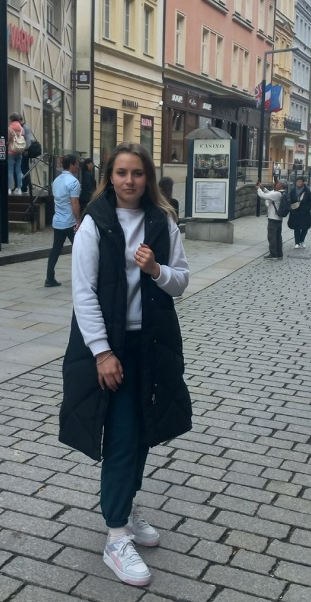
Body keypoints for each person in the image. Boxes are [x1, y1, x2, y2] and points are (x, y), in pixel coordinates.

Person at [58, 142, 191, 587]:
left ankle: (127, 508)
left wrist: (156, 270)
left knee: (142, 433)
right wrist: (102, 352)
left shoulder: (162, 221)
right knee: (119, 437)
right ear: (109, 177)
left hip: (150, 344)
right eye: (121, 173)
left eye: (137, 173)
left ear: (147, 177)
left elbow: (181, 283)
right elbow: (83, 294)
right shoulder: (94, 223)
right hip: (110, 348)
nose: (129, 181)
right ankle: (115, 536)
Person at [45, 154, 81, 287]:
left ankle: (49, 278)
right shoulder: (73, 182)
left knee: (55, 250)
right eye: (76, 164)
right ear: (71, 165)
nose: (78, 166)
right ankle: (82, 277)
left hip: (58, 221)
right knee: (80, 250)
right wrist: (79, 221)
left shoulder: (56, 181)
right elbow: (75, 203)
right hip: (70, 222)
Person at [256, 179, 288, 259]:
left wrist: (259, 189)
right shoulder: (282, 193)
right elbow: (270, 193)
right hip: (279, 218)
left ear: (281, 185)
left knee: (272, 237)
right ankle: (279, 253)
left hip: (273, 217)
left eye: (278, 183)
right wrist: (263, 188)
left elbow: (263, 196)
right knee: (278, 237)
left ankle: (273, 254)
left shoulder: (277, 194)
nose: (276, 184)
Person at [288, 176, 311, 248]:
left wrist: (307, 208)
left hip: (305, 212)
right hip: (295, 211)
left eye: (300, 181)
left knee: (305, 227)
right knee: (296, 227)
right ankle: (297, 242)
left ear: (303, 182)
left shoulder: (307, 191)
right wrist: (291, 208)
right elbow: (290, 200)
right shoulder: (293, 191)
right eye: (297, 181)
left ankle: (302, 240)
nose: (298, 183)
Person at [7, 114, 27, 194]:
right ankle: (19, 189)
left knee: (10, 170)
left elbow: (8, 139)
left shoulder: (9, 128)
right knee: (19, 170)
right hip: (19, 151)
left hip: (11, 151)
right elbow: (24, 138)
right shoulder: (22, 129)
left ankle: (9, 188)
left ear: (11, 119)